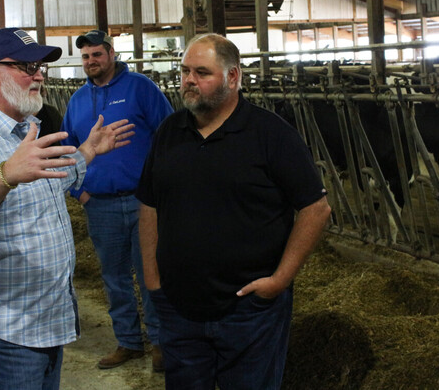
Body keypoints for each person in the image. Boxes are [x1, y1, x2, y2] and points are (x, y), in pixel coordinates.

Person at [0, 27, 135, 389]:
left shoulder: (24, 130)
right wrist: (6, 174)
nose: (39, 75)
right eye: (26, 66)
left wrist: (88, 151)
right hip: (3, 329)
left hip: (40, 321)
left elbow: (47, 183)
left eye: (40, 66)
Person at [137, 34, 332, 388]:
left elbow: (316, 209)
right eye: (184, 71)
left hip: (250, 311)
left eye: (201, 72)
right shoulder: (169, 132)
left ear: (233, 77)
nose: (189, 81)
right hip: (179, 307)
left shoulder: (271, 134)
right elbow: (149, 203)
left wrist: (279, 281)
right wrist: (153, 280)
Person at [61, 29, 172, 371]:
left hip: (144, 203)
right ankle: (128, 342)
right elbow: (68, 149)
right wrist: (79, 192)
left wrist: (163, 188)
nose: (91, 62)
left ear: (111, 53)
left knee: (151, 271)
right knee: (114, 276)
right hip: (101, 204)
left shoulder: (141, 87)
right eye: (85, 57)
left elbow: (168, 135)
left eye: (97, 54)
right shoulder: (78, 100)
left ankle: (159, 342)